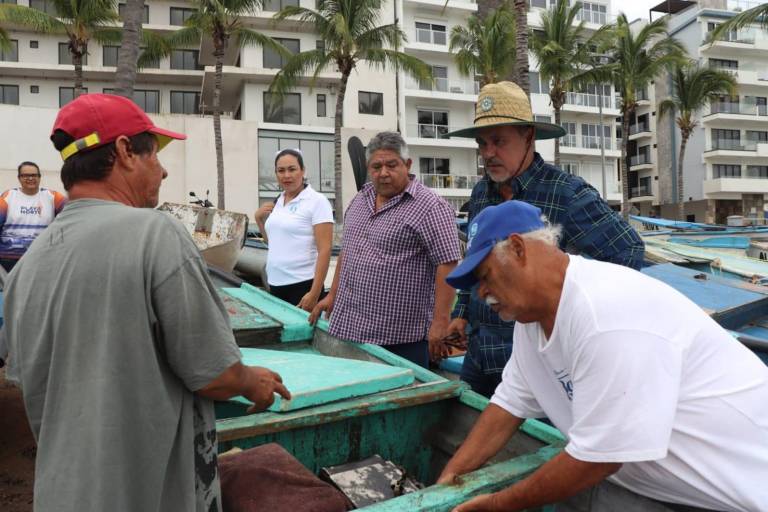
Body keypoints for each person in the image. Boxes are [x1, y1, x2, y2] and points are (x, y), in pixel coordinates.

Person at [3, 93, 290, 512]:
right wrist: (253, 382)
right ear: (124, 152)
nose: (164, 168)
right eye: (154, 154)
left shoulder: (25, 268)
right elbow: (216, 375)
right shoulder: (156, 234)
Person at [438, 200, 768, 512]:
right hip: (669, 491)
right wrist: (446, 482)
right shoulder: (532, 322)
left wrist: (498, 504)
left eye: (484, 276)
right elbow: (508, 405)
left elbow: (598, 459)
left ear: (519, 249)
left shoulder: (606, 315)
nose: (480, 293)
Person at [444, 81, 645, 397]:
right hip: (480, 352)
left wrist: (573, 316)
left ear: (528, 136)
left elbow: (628, 251)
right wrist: (461, 314)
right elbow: (477, 259)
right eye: (482, 144)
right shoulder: (481, 193)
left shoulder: (567, 193)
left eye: (498, 141)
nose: (488, 153)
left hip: (540, 362)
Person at [309, 131, 460, 368]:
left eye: (392, 165)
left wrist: (440, 321)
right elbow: (348, 251)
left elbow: (448, 263)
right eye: (376, 166)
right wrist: (332, 295)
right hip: (351, 328)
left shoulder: (430, 206)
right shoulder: (360, 200)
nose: (384, 173)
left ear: (407, 164)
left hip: (400, 338)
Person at [254, 148, 333, 311]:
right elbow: (274, 243)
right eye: (281, 171)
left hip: (302, 285)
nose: (286, 175)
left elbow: (325, 250)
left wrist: (314, 292)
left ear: (303, 171)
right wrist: (259, 220)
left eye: (292, 169)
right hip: (274, 283)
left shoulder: (317, 201)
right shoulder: (278, 201)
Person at [0, 161, 67, 271]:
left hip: (41, 257)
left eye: (34, 175)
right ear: (19, 178)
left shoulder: (53, 197)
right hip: (9, 259)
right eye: (25, 175)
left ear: (39, 177)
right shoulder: (8, 197)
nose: (30, 178)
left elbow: (72, 213)